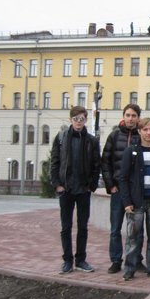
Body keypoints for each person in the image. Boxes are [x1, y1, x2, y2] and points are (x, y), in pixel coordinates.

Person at [50, 106, 101, 274]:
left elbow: (96, 164)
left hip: (83, 190)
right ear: (70, 120)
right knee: (66, 227)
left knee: (83, 227)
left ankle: (81, 260)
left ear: (86, 120)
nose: (79, 122)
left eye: (82, 119)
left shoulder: (91, 141)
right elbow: (55, 162)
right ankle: (67, 260)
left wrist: (91, 185)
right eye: (76, 119)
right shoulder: (61, 138)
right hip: (66, 190)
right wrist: (57, 184)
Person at [118, 118, 150, 281]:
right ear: (139, 131)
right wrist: (127, 202)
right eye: (145, 129)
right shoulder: (131, 151)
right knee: (133, 237)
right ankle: (130, 268)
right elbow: (123, 178)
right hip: (136, 203)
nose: (148, 133)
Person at [101, 104, 142, 274]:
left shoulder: (141, 137)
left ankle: (135, 259)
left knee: (137, 229)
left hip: (136, 191)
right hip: (118, 190)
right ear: (123, 116)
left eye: (134, 115)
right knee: (115, 227)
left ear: (138, 117)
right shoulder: (114, 135)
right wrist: (111, 185)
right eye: (128, 115)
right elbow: (105, 162)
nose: (131, 118)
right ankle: (116, 260)